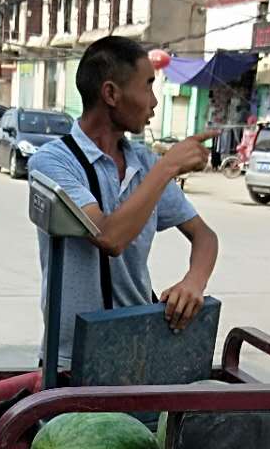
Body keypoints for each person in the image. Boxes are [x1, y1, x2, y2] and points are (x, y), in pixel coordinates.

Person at [27, 35, 220, 368]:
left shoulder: (143, 163)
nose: (154, 102)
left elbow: (205, 236)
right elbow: (109, 237)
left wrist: (194, 282)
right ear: (111, 94)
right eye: (148, 86)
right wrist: (168, 167)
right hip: (70, 362)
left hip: (136, 349)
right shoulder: (53, 162)